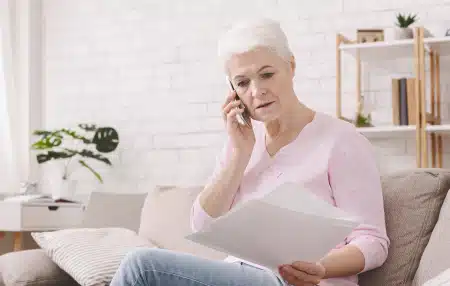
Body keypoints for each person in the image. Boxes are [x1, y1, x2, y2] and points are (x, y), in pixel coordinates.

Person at [110, 18, 390, 286]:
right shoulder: (241, 142)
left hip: (304, 281)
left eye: (267, 75)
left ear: (291, 66)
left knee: (141, 267)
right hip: (240, 274)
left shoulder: (342, 139)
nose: (257, 91)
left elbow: (372, 241)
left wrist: (320, 267)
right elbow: (202, 225)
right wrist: (239, 154)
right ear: (233, 92)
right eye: (243, 83)